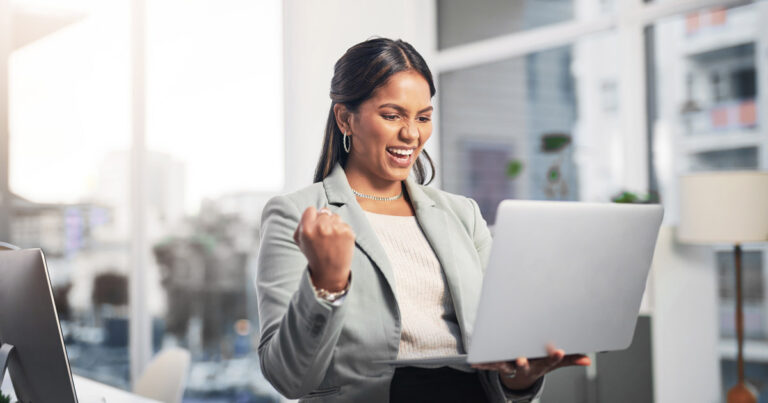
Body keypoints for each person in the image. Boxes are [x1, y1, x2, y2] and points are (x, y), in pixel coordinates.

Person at [256, 38, 590, 402]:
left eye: (423, 117)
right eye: (392, 115)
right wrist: (327, 284)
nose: (411, 134)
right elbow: (287, 377)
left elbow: (500, 350)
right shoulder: (298, 215)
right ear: (345, 118)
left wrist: (520, 379)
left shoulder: (463, 215)